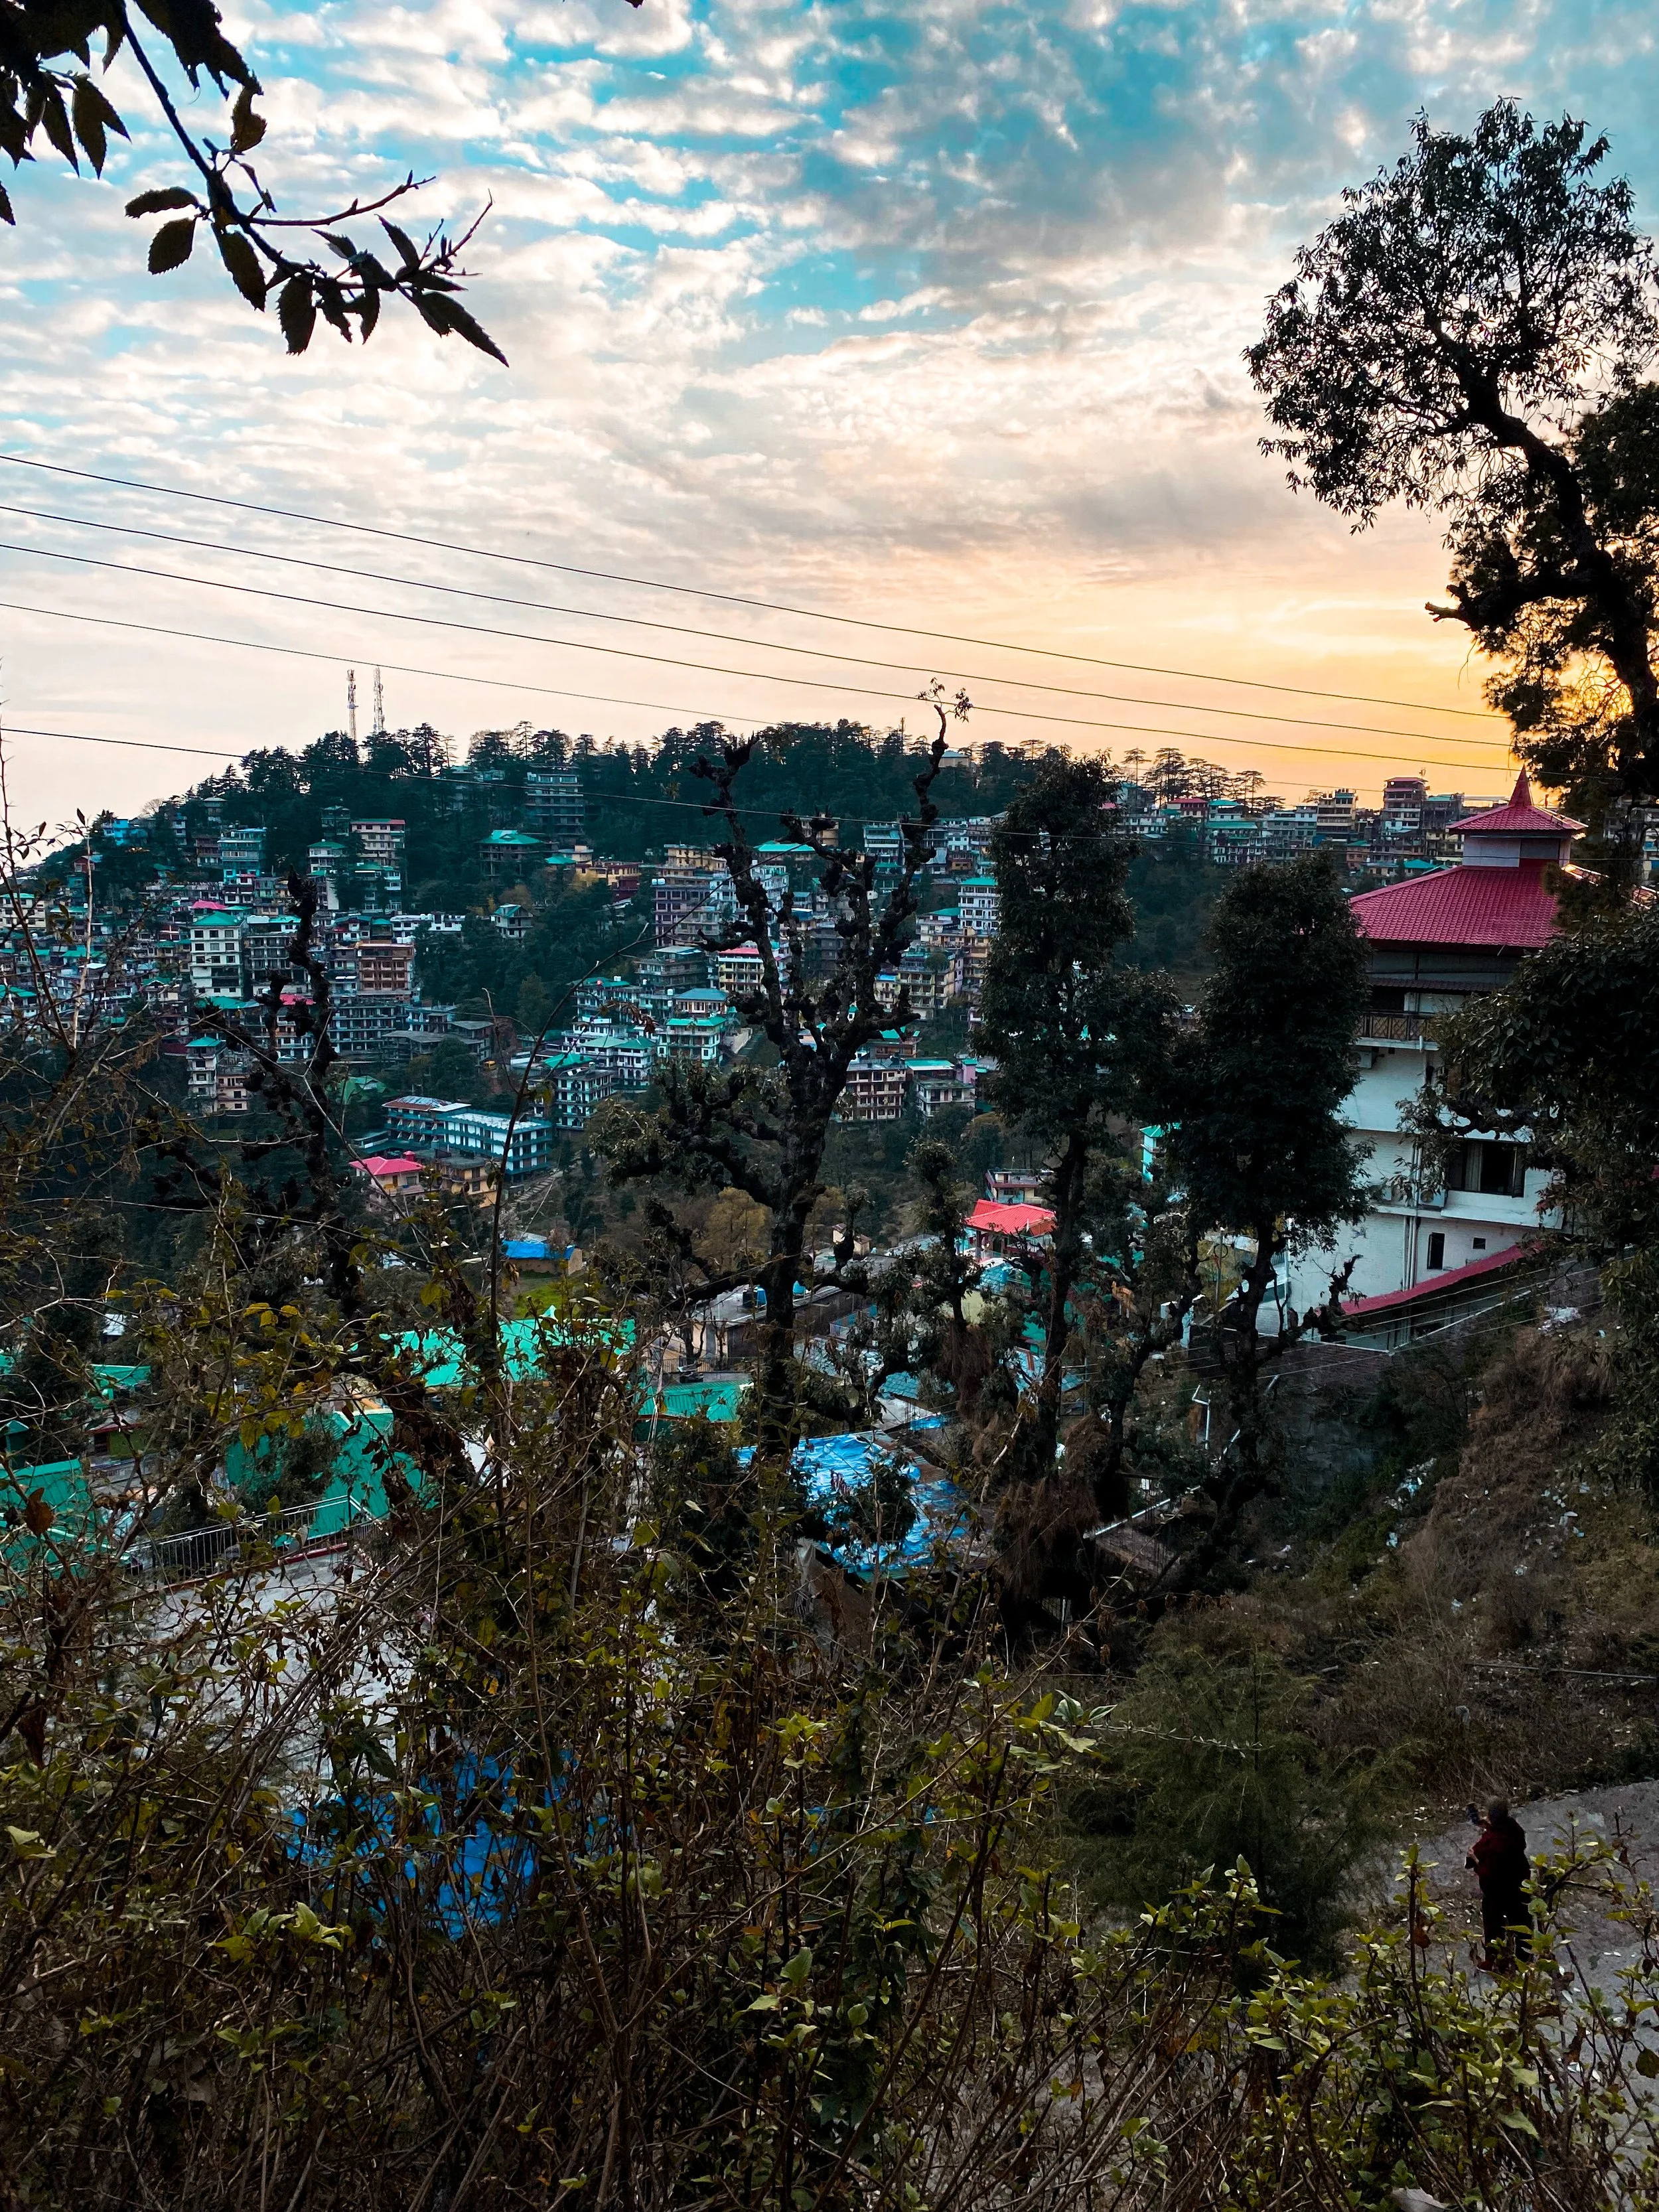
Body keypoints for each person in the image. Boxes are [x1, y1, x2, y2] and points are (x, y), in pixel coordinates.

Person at [1466, 1798, 1531, 1966]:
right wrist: (1486, 1825)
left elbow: (1490, 1872)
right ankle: (1526, 1961)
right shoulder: (1513, 1829)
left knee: (1495, 1927)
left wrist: (1475, 1859)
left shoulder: (1497, 1842)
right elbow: (1503, 1833)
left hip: (1500, 1892)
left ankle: (1496, 1963)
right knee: (1523, 1926)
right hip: (1520, 1887)